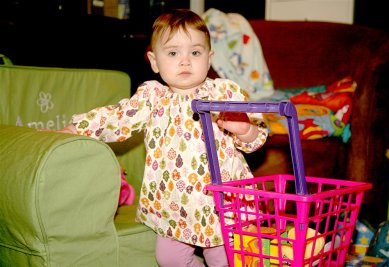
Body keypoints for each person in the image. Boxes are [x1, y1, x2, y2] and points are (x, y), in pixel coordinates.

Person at [59, 9, 267, 267]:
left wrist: (245, 130)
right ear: (154, 61)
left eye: (195, 52)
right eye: (172, 53)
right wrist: (78, 127)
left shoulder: (223, 93)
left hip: (220, 203)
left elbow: (257, 134)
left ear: (209, 57)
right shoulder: (152, 97)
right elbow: (117, 117)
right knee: (168, 259)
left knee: (222, 258)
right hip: (174, 205)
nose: (185, 61)